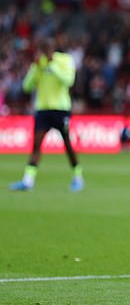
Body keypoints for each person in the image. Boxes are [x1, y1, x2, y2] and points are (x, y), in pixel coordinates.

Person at [9, 38, 84, 192]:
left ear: (53, 48)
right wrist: (36, 68)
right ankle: (27, 181)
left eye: (47, 48)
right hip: (42, 110)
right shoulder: (39, 63)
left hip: (61, 109)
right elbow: (27, 86)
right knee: (36, 145)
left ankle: (78, 177)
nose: (45, 52)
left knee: (67, 144)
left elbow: (69, 80)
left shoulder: (64, 60)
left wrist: (51, 66)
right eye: (43, 49)